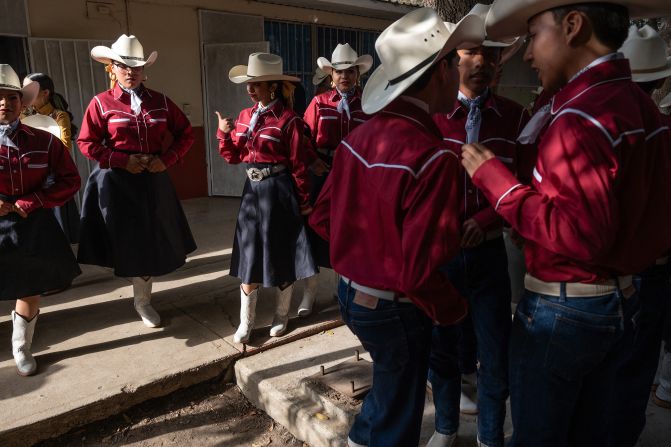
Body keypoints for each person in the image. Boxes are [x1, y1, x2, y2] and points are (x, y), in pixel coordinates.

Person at [462, 1, 671, 445]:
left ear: (573, 27)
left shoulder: (580, 117)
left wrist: (498, 186)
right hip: (621, 298)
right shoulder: (636, 104)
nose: (529, 55)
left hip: (565, 311)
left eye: (535, 35)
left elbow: (580, 233)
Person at [309, 8, 484, 446]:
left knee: (388, 397)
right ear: (441, 71)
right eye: (456, 61)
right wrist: (454, 309)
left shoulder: (359, 138)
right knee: (396, 414)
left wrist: (365, 256)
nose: (465, 69)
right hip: (396, 306)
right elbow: (417, 271)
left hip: (351, 294)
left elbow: (322, 215)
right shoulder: (434, 157)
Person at [428, 5, 529, 447]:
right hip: (442, 254)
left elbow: (524, 183)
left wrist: (488, 218)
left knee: (495, 353)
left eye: (491, 54)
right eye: (473, 52)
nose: (484, 62)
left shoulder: (514, 117)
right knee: (443, 349)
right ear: (453, 60)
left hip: (490, 254)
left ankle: (490, 437)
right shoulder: (432, 117)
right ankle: (446, 428)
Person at [77, 34, 197, 328]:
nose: (131, 72)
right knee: (124, 240)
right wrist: (121, 160)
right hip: (116, 182)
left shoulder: (161, 102)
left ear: (145, 70)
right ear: (112, 68)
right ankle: (136, 290)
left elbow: (186, 134)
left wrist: (166, 160)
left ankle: (143, 301)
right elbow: (86, 142)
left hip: (152, 179)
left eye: (137, 67)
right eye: (123, 66)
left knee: (150, 239)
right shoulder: (101, 103)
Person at [216, 52, 317, 343]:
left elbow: (298, 165)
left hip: (280, 192)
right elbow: (234, 157)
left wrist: (304, 201)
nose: (250, 89)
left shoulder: (289, 120)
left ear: (272, 86)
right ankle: (245, 323)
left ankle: (281, 315)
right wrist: (224, 135)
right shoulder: (246, 116)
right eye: (249, 84)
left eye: (257, 84)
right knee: (250, 255)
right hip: (252, 194)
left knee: (281, 252)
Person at [607, 24, 671, 447]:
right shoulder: (663, 131)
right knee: (639, 361)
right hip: (656, 265)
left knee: (612, 360)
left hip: (614, 268)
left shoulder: (604, 126)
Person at [0, 64, 81, 376]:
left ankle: (21, 347)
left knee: (29, 288)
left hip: (33, 224)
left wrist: (32, 201)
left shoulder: (44, 140)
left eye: (12, 97)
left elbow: (70, 181)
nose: (5, 103)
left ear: (23, 103)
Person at [299, 44, 373, 317]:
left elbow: (375, 140)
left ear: (357, 74)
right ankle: (310, 292)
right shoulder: (319, 103)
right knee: (315, 229)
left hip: (355, 177)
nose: (345, 76)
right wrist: (313, 161)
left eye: (350, 71)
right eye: (339, 71)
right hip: (322, 171)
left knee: (351, 231)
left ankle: (344, 289)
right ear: (331, 75)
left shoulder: (368, 104)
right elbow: (303, 138)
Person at [22, 73, 80, 244]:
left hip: (50, 178)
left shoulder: (59, 116)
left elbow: (64, 148)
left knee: (56, 232)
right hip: (27, 178)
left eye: (31, 89)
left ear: (45, 93)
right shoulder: (21, 116)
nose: (25, 93)